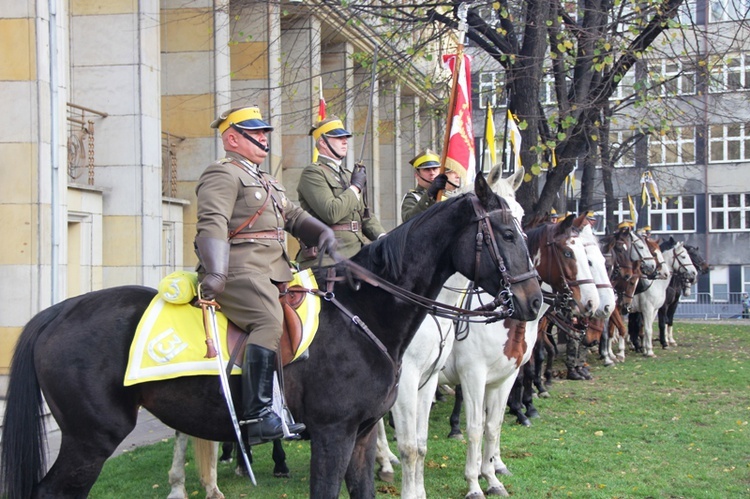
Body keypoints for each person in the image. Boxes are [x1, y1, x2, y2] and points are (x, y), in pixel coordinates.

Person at [194, 106, 337, 446]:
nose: (263, 138)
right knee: (268, 320)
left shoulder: (267, 180)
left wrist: (323, 233)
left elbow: (294, 215)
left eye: (264, 132)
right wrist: (215, 272)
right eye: (254, 133)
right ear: (232, 138)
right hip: (238, 269)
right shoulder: (222, 174)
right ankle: (257, 414)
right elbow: (211, 222)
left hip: (274, 271)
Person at [296, 116, 386, 268]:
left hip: (357, 253)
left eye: (345, 137)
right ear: (323, 142)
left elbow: (364, 216)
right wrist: (355, 187)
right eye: (338, 137)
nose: (345, 141)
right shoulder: (313, 173)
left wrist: (383, 237)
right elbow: (331, 213)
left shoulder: (347, 173)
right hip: (329, 256)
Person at [400, 148, 453, 223]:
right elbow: (409, 220)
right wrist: (429, 194)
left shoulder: (450, 195)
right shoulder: (412, 197)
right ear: (417, 175)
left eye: (435, 169)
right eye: (427, 169)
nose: (432, 173)